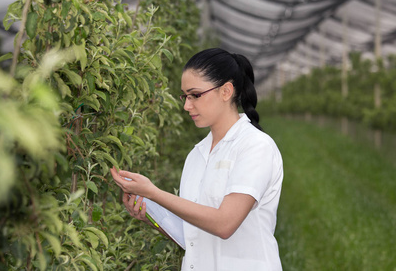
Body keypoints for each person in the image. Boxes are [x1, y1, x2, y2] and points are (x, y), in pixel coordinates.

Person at [111, 48, 283, 271]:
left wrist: (153, 192)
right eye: (185, 96)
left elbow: (224, 224)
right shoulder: (197, 155)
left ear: (226, 91)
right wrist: (149, 212)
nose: (186, 105)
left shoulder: (255, 146)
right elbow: (191, 236)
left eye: (195, 95)